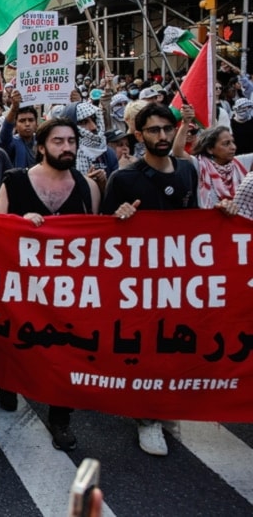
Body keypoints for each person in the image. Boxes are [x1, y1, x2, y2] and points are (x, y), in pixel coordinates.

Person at [100, 102, 238, 455]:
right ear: (138, 134)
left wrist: (220, 217)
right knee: (146, 349)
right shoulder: (123, 178)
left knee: (174, 347)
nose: (161, 136)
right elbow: (101, 235)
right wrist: (120, 217)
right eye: (153, 130)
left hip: (178, 284)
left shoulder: (187, 170)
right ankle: (147, 418)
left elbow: (193, 223)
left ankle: (166, 406)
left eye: (166, 129)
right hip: (139, 285)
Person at [0, 118, 103, 452]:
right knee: (18, 340)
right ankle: (9, 381)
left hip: (67, 291)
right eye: (58, 141)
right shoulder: (15, 181)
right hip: (22, 286)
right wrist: (19, 224)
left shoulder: (88, 187)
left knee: (63, 351)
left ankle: (60, 417)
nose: (66, 147)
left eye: (71, 141)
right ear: (41, 147)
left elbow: (96, 239)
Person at [187, 127, 250, 208]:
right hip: (209, 218)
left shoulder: (239, 162)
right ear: (210, 149)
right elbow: (178, 153)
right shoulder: (199, 164)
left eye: (232, 142)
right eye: (226, 143)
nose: (233, 147)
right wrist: (185, 123)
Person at [0, 92, 39, 169]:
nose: (27, 124)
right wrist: (14, 109)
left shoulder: (42, 141)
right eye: (22, 121)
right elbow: (4, 135)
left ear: (36, 123)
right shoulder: (13, 142)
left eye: (31, 120)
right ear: (15, 125)